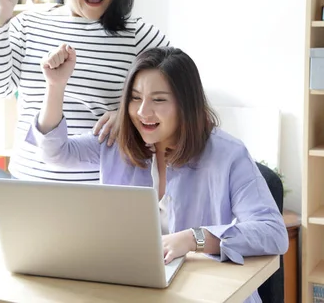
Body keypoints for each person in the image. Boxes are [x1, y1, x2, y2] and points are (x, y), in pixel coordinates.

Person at [26, 45, 288, 303]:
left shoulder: (227, 154)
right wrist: (55, 85)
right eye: (135, 98)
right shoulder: (117, 141)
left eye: (159, 100)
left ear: (186, 104)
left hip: (210, 291)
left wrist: (193, 238)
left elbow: (273, 233)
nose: (143, 112)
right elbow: (54, 152)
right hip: (135, 289)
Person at [0, 0, 169, 181]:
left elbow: (181, 98)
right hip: (28, 185)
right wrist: (1, 18)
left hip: (104, 189)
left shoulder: (139, 36)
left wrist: (129, 115)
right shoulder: (28, 24)